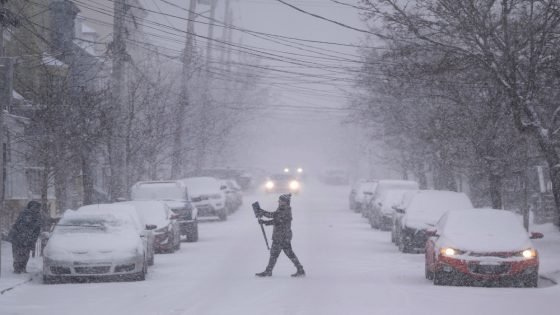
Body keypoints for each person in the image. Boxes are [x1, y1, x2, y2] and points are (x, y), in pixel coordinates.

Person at [255, 194, 305, 277]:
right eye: (279, 200)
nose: (279, 202)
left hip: (281, 236)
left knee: (274, 254)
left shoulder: (285, 209)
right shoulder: (283, 208)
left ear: (285, 202)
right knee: (289, 253)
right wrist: (264, 219)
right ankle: (300, 269)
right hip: (284, 236)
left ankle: (268, 271)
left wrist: (263, 215)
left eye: (281, 200)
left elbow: (275, 218)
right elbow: (276, 219)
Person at [7, 201, 44, 273]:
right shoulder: (26, 214)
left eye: (38, 208)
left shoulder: (37, 216)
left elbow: (37, 229)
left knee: (24, 254)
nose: (38, 209)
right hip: (19, 238)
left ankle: (21, 268)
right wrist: (27, 237)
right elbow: (21, 226)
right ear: (32, 207)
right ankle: (18, 268)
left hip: (26, 238)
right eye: (36, 207)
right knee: (19, 254)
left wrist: (32, 239)